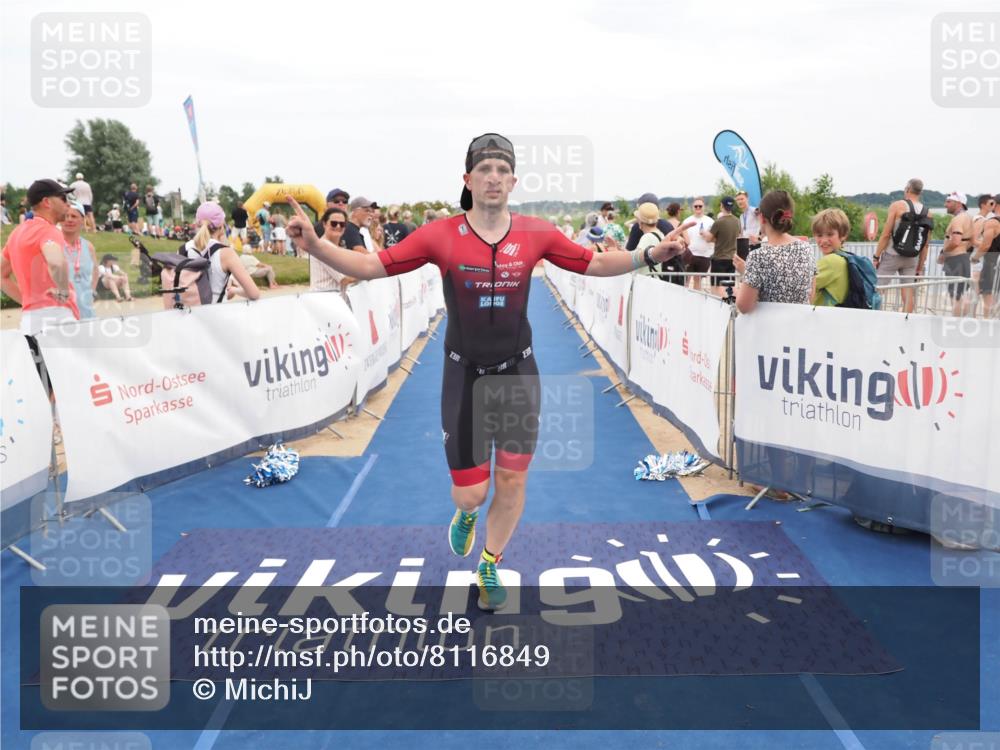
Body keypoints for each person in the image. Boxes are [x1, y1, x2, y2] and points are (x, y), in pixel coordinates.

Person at [286, 133, 684, 611]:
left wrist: (648, 256)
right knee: (471, 492)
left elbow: (594, 264)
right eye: (484, 170)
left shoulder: (536, 233)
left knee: (513, 480)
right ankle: (468, 515)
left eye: (502, 171)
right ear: (468, 180)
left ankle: (490, 564)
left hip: (517, 373)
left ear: (513, 181)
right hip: (464, 375)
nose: (493, 178)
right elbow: (372, 266)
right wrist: (314, 246)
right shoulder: (440, 235)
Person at [0, 179, 79, 334]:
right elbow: (56, 263)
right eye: (63, 199)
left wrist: (26, 301)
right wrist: (63, 291)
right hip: (57, 315)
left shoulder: (17, 233)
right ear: (47, 202)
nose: (68, 204)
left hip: (30, 319)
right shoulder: (48, 230)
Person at [733, 190, 815, 313]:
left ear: (761, 218)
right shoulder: (807, 248)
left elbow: (744, 306)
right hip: (799, 327)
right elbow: (810, 296)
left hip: (771, 328)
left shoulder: (758, 257)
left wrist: (745, 275)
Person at [182, 202, 261, 302]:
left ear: (197, 223)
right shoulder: (226, 253)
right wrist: (233, 290)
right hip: (215, 313)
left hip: (190, 313)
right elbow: (254, 294)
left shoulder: (183, 249)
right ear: (221, 225)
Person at [874, 178, 931, 313]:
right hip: (912, 258)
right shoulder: (928, 212)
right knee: (908, 290)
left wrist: (876, 256)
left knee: (877, 289)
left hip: (892, 254)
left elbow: (886, 234)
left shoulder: (897, 206)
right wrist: (920, 265)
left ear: (907, 189)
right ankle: (908, 320)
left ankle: (873, 316)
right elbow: (925, 244)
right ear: (920, 192)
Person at [61, 200, 98, 319]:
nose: (69, 219)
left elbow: (95, 271)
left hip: (85, 309)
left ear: (82, 220)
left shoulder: (88, 246)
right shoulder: (53, 244)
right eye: (66, 216)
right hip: (62, 311)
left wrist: (91, 292)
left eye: (74, 216)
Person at [939, 191, 974, 317]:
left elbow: (956, 241)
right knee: (962, 294)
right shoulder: (969, 218)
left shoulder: (958, 219)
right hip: (963, 258)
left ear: (959, 203)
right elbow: (973, 241)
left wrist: (944, 252)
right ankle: (963, 321)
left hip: (955, 260)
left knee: (955, 296)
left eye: (949, 202)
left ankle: (956, 323)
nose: (945, 205)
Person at [811, 208, 851, 306]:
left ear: (843, 235)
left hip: (825, 317)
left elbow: (804, 285)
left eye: (830, 234)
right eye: (819, 235)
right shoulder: (846, 257)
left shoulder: (830, 261)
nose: (824, 240)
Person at [310, 207, 356, 293]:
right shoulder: (323, 247)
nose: (338, 226)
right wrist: (368, 274)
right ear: (324, 224)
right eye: (334, 223)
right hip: (324, 300)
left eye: (342, 224)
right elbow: (345, 279)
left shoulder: (337, 247)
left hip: (335, 299)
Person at [706, 196, 741, 297]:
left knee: (716, 287)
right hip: (731, 258)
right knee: (731, 286)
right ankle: (734, 306)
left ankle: (721, 308)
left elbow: (708, 239)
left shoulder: (719, 222)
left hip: (719, 258)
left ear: (721, 206)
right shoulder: (737, 221)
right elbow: (737, 235)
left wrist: (704, 233)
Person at [972, 194, 1000, 316]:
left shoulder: (993, 222)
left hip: (992, 261)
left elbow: (985, 245)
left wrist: (975, 257)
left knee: (988, 294)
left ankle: (987, 323)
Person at [684, 198, 714, 291]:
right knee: (686, 281)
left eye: (700, 206)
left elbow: (714, 238)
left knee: (698, 281)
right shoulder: (686, 221)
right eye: (695, 206)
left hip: (704, 255)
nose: (698, 208)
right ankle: (683, 300)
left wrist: (706, 234)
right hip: (689, 254)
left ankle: (695, 302)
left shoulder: (710, 221)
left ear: (704, 207)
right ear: (692, 207)